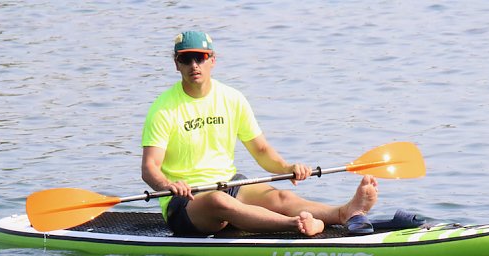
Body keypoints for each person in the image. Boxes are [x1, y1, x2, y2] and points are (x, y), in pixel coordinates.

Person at [141, 30, 379, 237]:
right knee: (218, 200)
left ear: (212, 60)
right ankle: (295, 224)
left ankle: (344, 212)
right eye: (186, 58)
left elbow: (261, 150)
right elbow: (150, 167)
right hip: (186, 200)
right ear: (176, 63)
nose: (194, 65)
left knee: (281, 198)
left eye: (200, 57)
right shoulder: (163, 109)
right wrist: (169, 184)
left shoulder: (232, 98)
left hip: (228, 184)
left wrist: (287, 168)